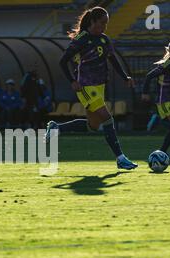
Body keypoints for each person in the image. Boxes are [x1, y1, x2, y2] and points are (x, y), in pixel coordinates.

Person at [45, 6, 137, 170]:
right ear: (93, 21)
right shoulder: (82, 39)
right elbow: (63, 61)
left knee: (92, 126)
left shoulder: (104, 39)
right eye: (102, 23)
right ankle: (121, 158)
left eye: (106, 24)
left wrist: (125, 77)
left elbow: (113, 59)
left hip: (99, 86)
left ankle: (56, 128)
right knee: (107, 118)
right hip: (86, 86)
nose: (104, 27)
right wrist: (73, 81)